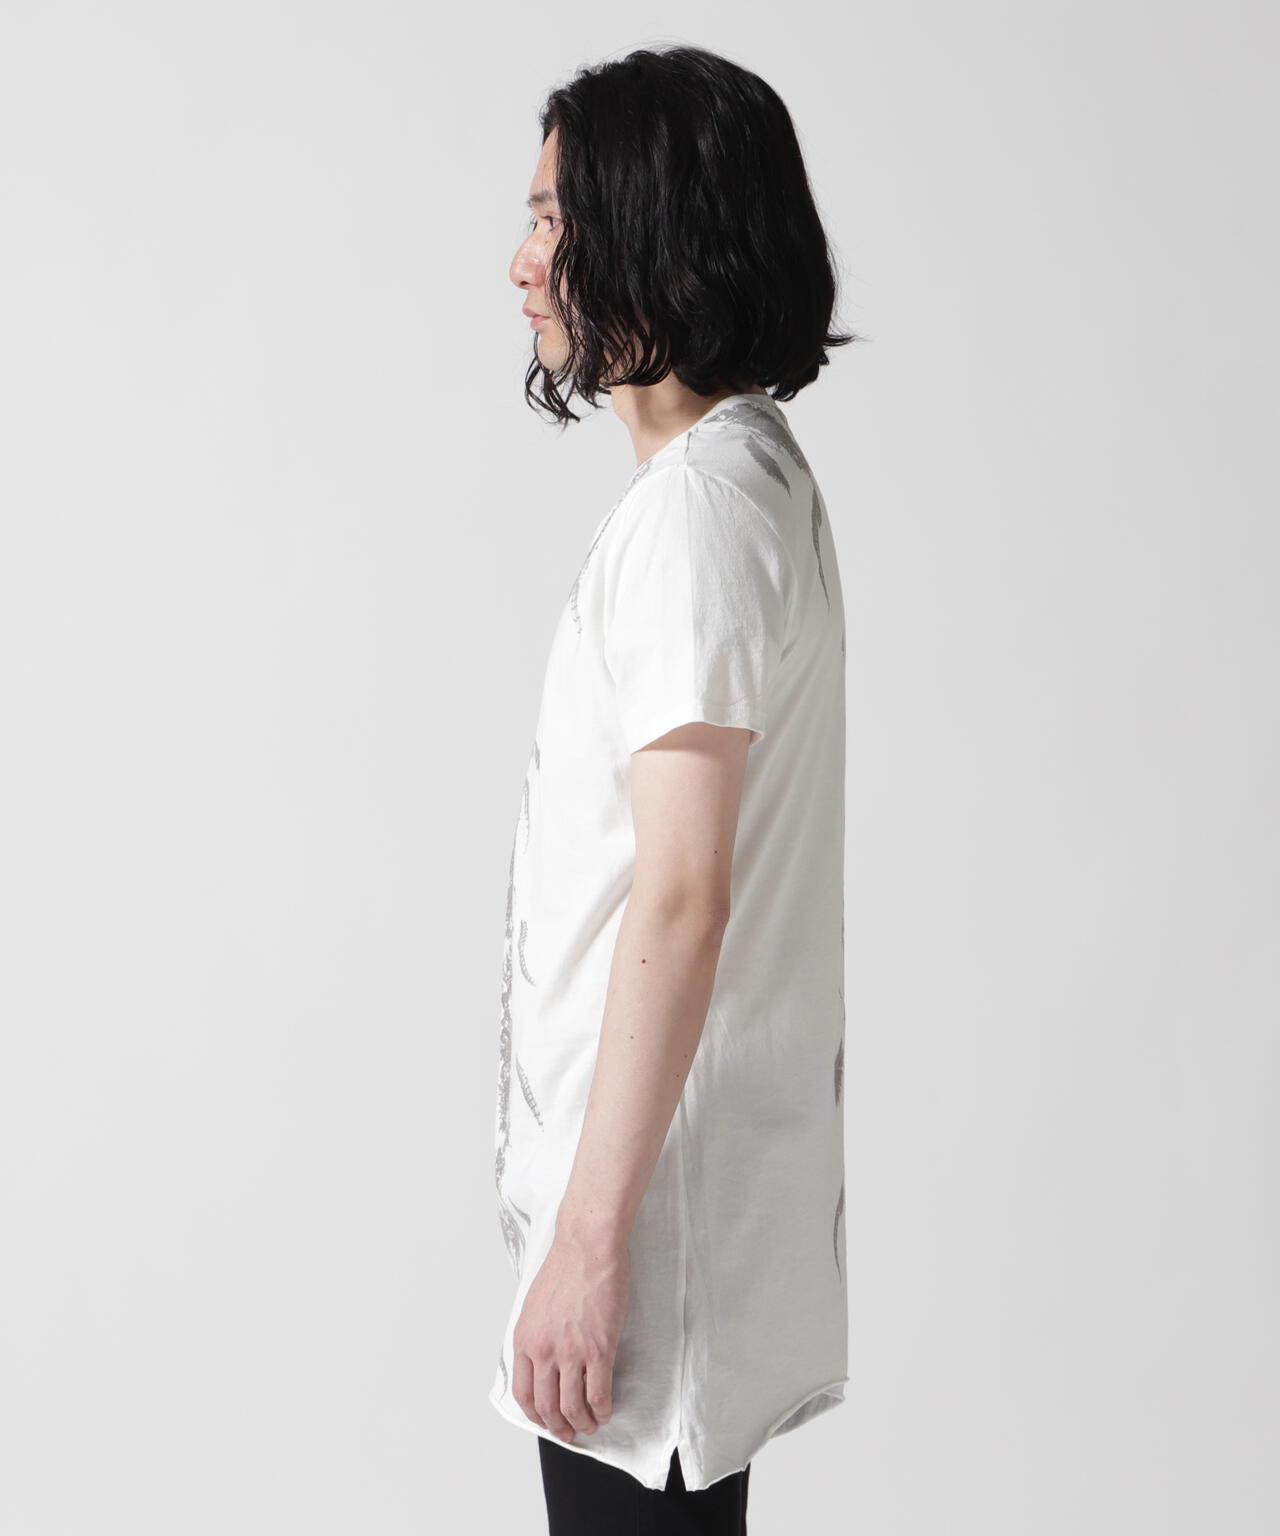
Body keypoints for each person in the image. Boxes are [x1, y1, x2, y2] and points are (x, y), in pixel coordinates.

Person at [490, 43, 860, 1534]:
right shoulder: (746, 479)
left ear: (652, 232)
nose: (523, 266)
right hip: (673, 1224)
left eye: (552, 222)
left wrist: (589, 1246)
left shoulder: (697, 516)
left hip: (649, 1245)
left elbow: (688, 894)